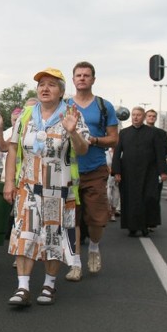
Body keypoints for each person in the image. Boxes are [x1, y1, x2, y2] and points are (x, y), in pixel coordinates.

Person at [3, 68, 89, 307]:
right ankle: (22, 287)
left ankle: (49, 285)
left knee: (53, 236)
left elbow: (83, 149)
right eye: (41, 84)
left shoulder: (72, 114)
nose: (45, 88)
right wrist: (9, 182)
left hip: (58, 189)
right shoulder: (27, 115)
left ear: (61, 91)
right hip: (28, 187)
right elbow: (12, 148)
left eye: (51, 84)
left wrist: (72, 132)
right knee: (25, 235)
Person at [65, 61, 118, 281]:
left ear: (93, 79)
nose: (82, 78)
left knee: (96, 219)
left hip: (95, 168)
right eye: (78, 75)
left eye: (86, 75)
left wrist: (94, 140)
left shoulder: (104, 106)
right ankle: (75, 263)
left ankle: (94, 247)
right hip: (70, 169)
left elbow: (114, 139)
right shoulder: (65, 105)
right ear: (73, 79)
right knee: (73, 219)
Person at [112, 107, 167, 237]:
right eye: (134, 115)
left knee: (148, 198)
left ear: (143, 117)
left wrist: (163, 171)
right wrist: (117, 172)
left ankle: (145, 225)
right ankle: (131, 226)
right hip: (128, 173)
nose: (135, 117)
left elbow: (160, 153)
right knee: (129, 199)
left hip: (148, 172)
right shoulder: (124, 133)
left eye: (138, 115)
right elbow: (117, 153)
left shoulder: (153, 133)